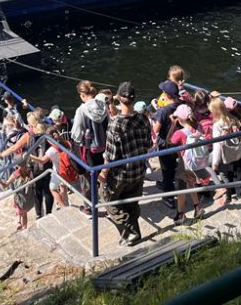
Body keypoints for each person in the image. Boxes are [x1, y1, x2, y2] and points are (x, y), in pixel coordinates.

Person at [99, 81, 152, 246]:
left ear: (119, 99)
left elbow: (111, 156)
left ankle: (129, 231)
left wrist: (103, 173)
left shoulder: (115, 124)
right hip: (139, 170)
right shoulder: (143, 118)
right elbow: (148, 144)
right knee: (131, 202)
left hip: (121, 174)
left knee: (107, 199)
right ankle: (133, 235)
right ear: (134, 99)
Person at [70, 80, 109, 215]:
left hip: (88, 151)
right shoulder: (103, 106)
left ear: (82, 95)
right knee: (102, 175)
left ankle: (89, 208)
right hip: (103, 148)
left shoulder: (81, 110)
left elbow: (75, 134)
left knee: (88, 179)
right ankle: (108, 203)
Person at [151, 79, 182, 210]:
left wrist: (153, 115)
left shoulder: (163, 111)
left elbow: (155, 130)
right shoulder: (182, 104)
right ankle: (166, 184)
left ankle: (168, 198)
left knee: (166, 170)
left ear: (167, 95)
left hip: (166, 145)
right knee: (173, 166)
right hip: (179, 142)